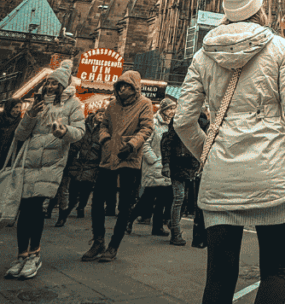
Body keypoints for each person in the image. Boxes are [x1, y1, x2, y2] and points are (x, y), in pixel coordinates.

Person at [174, 0, 285, 304]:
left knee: (220, 279)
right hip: (269, 177)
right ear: (258, 11)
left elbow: (182, 121)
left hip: (220, 179)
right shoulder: (279, 48)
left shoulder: (203, 55)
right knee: (275, 272)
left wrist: (209, 153)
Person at [5, 60, 85, 281]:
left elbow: (79, 132)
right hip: (29, 163)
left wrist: (63, 131)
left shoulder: (73, 104)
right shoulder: (36, 103)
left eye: (54, 83)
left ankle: (34, 255)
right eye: (48, 83)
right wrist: (30, 115)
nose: (50, 87)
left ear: (62, 86)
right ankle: (22, 256)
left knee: (35, 207)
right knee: (25, 209)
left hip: (51, 163)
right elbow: (20, 135)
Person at [81, 71, 154, 263]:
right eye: (120, 85)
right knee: (97, 202)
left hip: (129, 159)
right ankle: (98, 241)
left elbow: (147, 128)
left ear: (135, 87)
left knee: (124, 205)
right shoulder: (112, 105)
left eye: (127, 86)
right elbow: (104, 125)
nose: (123, 89)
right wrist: (104, 138)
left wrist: (132, 145)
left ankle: (113, 246)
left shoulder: (144, 104)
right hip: (108, 157)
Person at [127, 97, 175, 237]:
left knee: (162, 199)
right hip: (154, 165)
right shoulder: (153, 123)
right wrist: (154, 160)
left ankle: (157, 227)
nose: (173, 111)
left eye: (174, 108)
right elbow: (145, 143)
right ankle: (128, 220)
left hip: (165, 166)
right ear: (164, 109)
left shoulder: (171, 124)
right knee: (148, 197)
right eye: (170, 108)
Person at [162, 108, 208, 246]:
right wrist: (166, 164)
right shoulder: (190, 120)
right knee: (180, 197)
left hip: (187, 164)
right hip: (181, 163)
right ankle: (175, 232)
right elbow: (168, 142)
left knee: (184, 198)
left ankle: (172, 223)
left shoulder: (186, 119)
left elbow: (167, 142)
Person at [60, 106, 104, 221]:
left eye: (104, 116)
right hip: (79, 160)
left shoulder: (104, 129)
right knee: (74, 186)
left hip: (92, 162)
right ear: (95, 114)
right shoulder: (84, 124)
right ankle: (71, 205)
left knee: (86, 187)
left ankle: (81, 207)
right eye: (100, 114)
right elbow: (77, 139)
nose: (101, 117)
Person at [0, 101, 22, 166]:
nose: (18, 110)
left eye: (20, 107)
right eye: (15, 107)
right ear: (9, 107)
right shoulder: (1, 120)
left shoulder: (20, 122)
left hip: (10, 157)